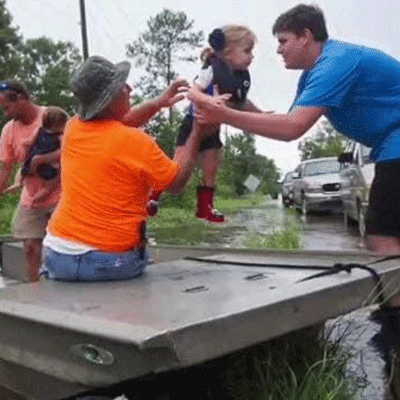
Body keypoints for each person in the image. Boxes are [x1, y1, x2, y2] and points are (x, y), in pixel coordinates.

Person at [191, 4, 400, 254]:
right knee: (382, 236)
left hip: (396, 145)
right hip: (390, 146)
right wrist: (236, 108)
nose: (279, 50)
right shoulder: (313, 74)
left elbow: (292, 129)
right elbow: (286, 123)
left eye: (283, 41)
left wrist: (223, 115)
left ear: (305, 37)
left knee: (383, 238)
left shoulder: (335, 63)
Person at [42, 55, 208, 282]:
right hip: (108, 262)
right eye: (122, 86)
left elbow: (121, 121)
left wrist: (159, 103)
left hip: (56, 255)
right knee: (142, 257)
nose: (129, 88)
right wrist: (197, 129)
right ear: (108, 100)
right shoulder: (135, 141)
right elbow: (176, 183)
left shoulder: (73, 128)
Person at [169, 25, 263, 223]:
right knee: (177, 172)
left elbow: (242, 102)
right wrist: (209, 101)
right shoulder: (211, 71)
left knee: (211, 170)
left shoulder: (239, 78)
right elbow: (192, 93)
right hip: (192, 125)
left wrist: (263, 115)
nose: (251, 57)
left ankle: (205, 208)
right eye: (247, 51)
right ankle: (152, 197)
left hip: (213, 131)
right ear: (228, 53)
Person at [0, 80, 62, 282]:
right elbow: (5, 167)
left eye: (7, 107)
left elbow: (72, 150)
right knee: (29, 248)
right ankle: (34, 290)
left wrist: (43, 159)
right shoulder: (9, 130)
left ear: (20, 98)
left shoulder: (52, 116)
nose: (5, 112)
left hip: (61, 192)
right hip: (32, 196)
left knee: (61, 246)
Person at [5, 106, 69, 195]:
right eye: (65, 125)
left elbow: (30, 141)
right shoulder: (59, 136)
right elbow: (65, 148)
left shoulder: (39, 130)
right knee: (53, 179)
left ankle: (18, 183)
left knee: (22, 168)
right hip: (47, 164)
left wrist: (26, 146)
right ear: (57, 126)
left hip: (33, 156)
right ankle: (42, 194)